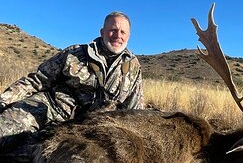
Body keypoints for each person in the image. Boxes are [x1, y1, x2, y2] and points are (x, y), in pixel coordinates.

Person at [0, 11, 144, 150]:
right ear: (102, 32)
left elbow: (135, 111)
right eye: (113, 30)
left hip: (90, 129)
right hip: (50, 109)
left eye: (123, 32)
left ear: (129, 36)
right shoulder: (75, 53)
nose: (118, 35)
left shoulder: (133, 67)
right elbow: (37, 80)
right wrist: (4, 100)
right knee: (6, 130)